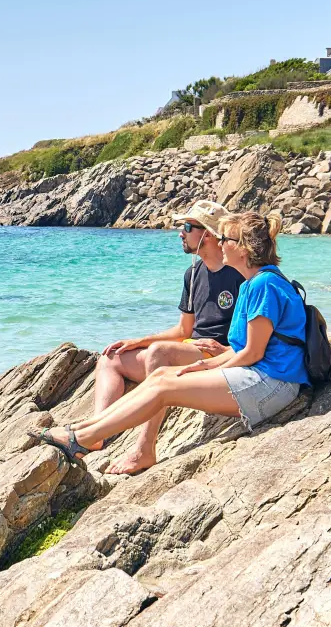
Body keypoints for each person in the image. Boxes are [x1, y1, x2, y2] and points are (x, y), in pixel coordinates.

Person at [30, 211, 309, 474]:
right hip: (259, 376)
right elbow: (241, 349)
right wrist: (207, 362)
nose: (220, 243)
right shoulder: (251, 283)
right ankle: (83, 429)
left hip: (273, 385)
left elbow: (252, 352)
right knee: (162, 375)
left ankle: (84, 439)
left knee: (165, 386)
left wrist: (205, 366)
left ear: (244, 249)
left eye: (226, 239)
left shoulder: (264, 284)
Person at [88, 201, 244, 474]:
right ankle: (96, 433)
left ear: (206, 234)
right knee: (111, 356)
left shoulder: (239, 274)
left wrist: (225, 350)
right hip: (189, 348)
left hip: (215, 356)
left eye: (186, 227)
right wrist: (140, 341)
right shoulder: (193, 273)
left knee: (160, 352)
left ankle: (144, 449)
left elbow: (253, 336)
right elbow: (184, 330)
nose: (179, 233)